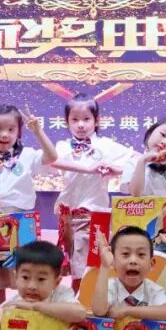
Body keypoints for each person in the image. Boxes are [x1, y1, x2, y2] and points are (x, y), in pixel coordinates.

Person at [0, 104, 57, 307]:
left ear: (18, 133)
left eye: (11, 129)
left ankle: (24, 318)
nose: (4, 134)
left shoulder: (27, 155)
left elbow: (52, 157)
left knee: (26, 278)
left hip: (22, 224)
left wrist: (38, 131)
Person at [52, 93, 137, 289]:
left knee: (89, 268)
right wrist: (89, 168)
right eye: (75, 119)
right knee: (74, 266)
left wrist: (118, 170)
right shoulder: (62, 146)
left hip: (93, 214)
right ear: (66, 122)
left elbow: (138, 159)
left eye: (86, 119)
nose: (81, 125)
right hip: (68, 216)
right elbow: (53, 162)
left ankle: (86, 304)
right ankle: (79, 303)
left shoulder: (106, 145)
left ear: (97, 120)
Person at [121, 117, 166, 196]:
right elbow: (135, 194)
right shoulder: (133, 163)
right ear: (150, 133)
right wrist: (142, 161)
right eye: (163, 135)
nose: (165, 142)